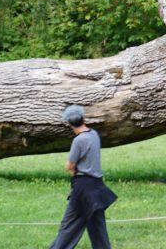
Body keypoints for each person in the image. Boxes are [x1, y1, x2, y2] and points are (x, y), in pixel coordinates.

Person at [48, 105, 118, 249]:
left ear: (69, 124)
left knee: (69, 226)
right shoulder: (94, 134)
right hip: (97, 186)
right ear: (83, 119)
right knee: (97, 227)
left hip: (83, 188)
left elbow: (69, 165)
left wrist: (73, 171)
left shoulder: (79, 140)